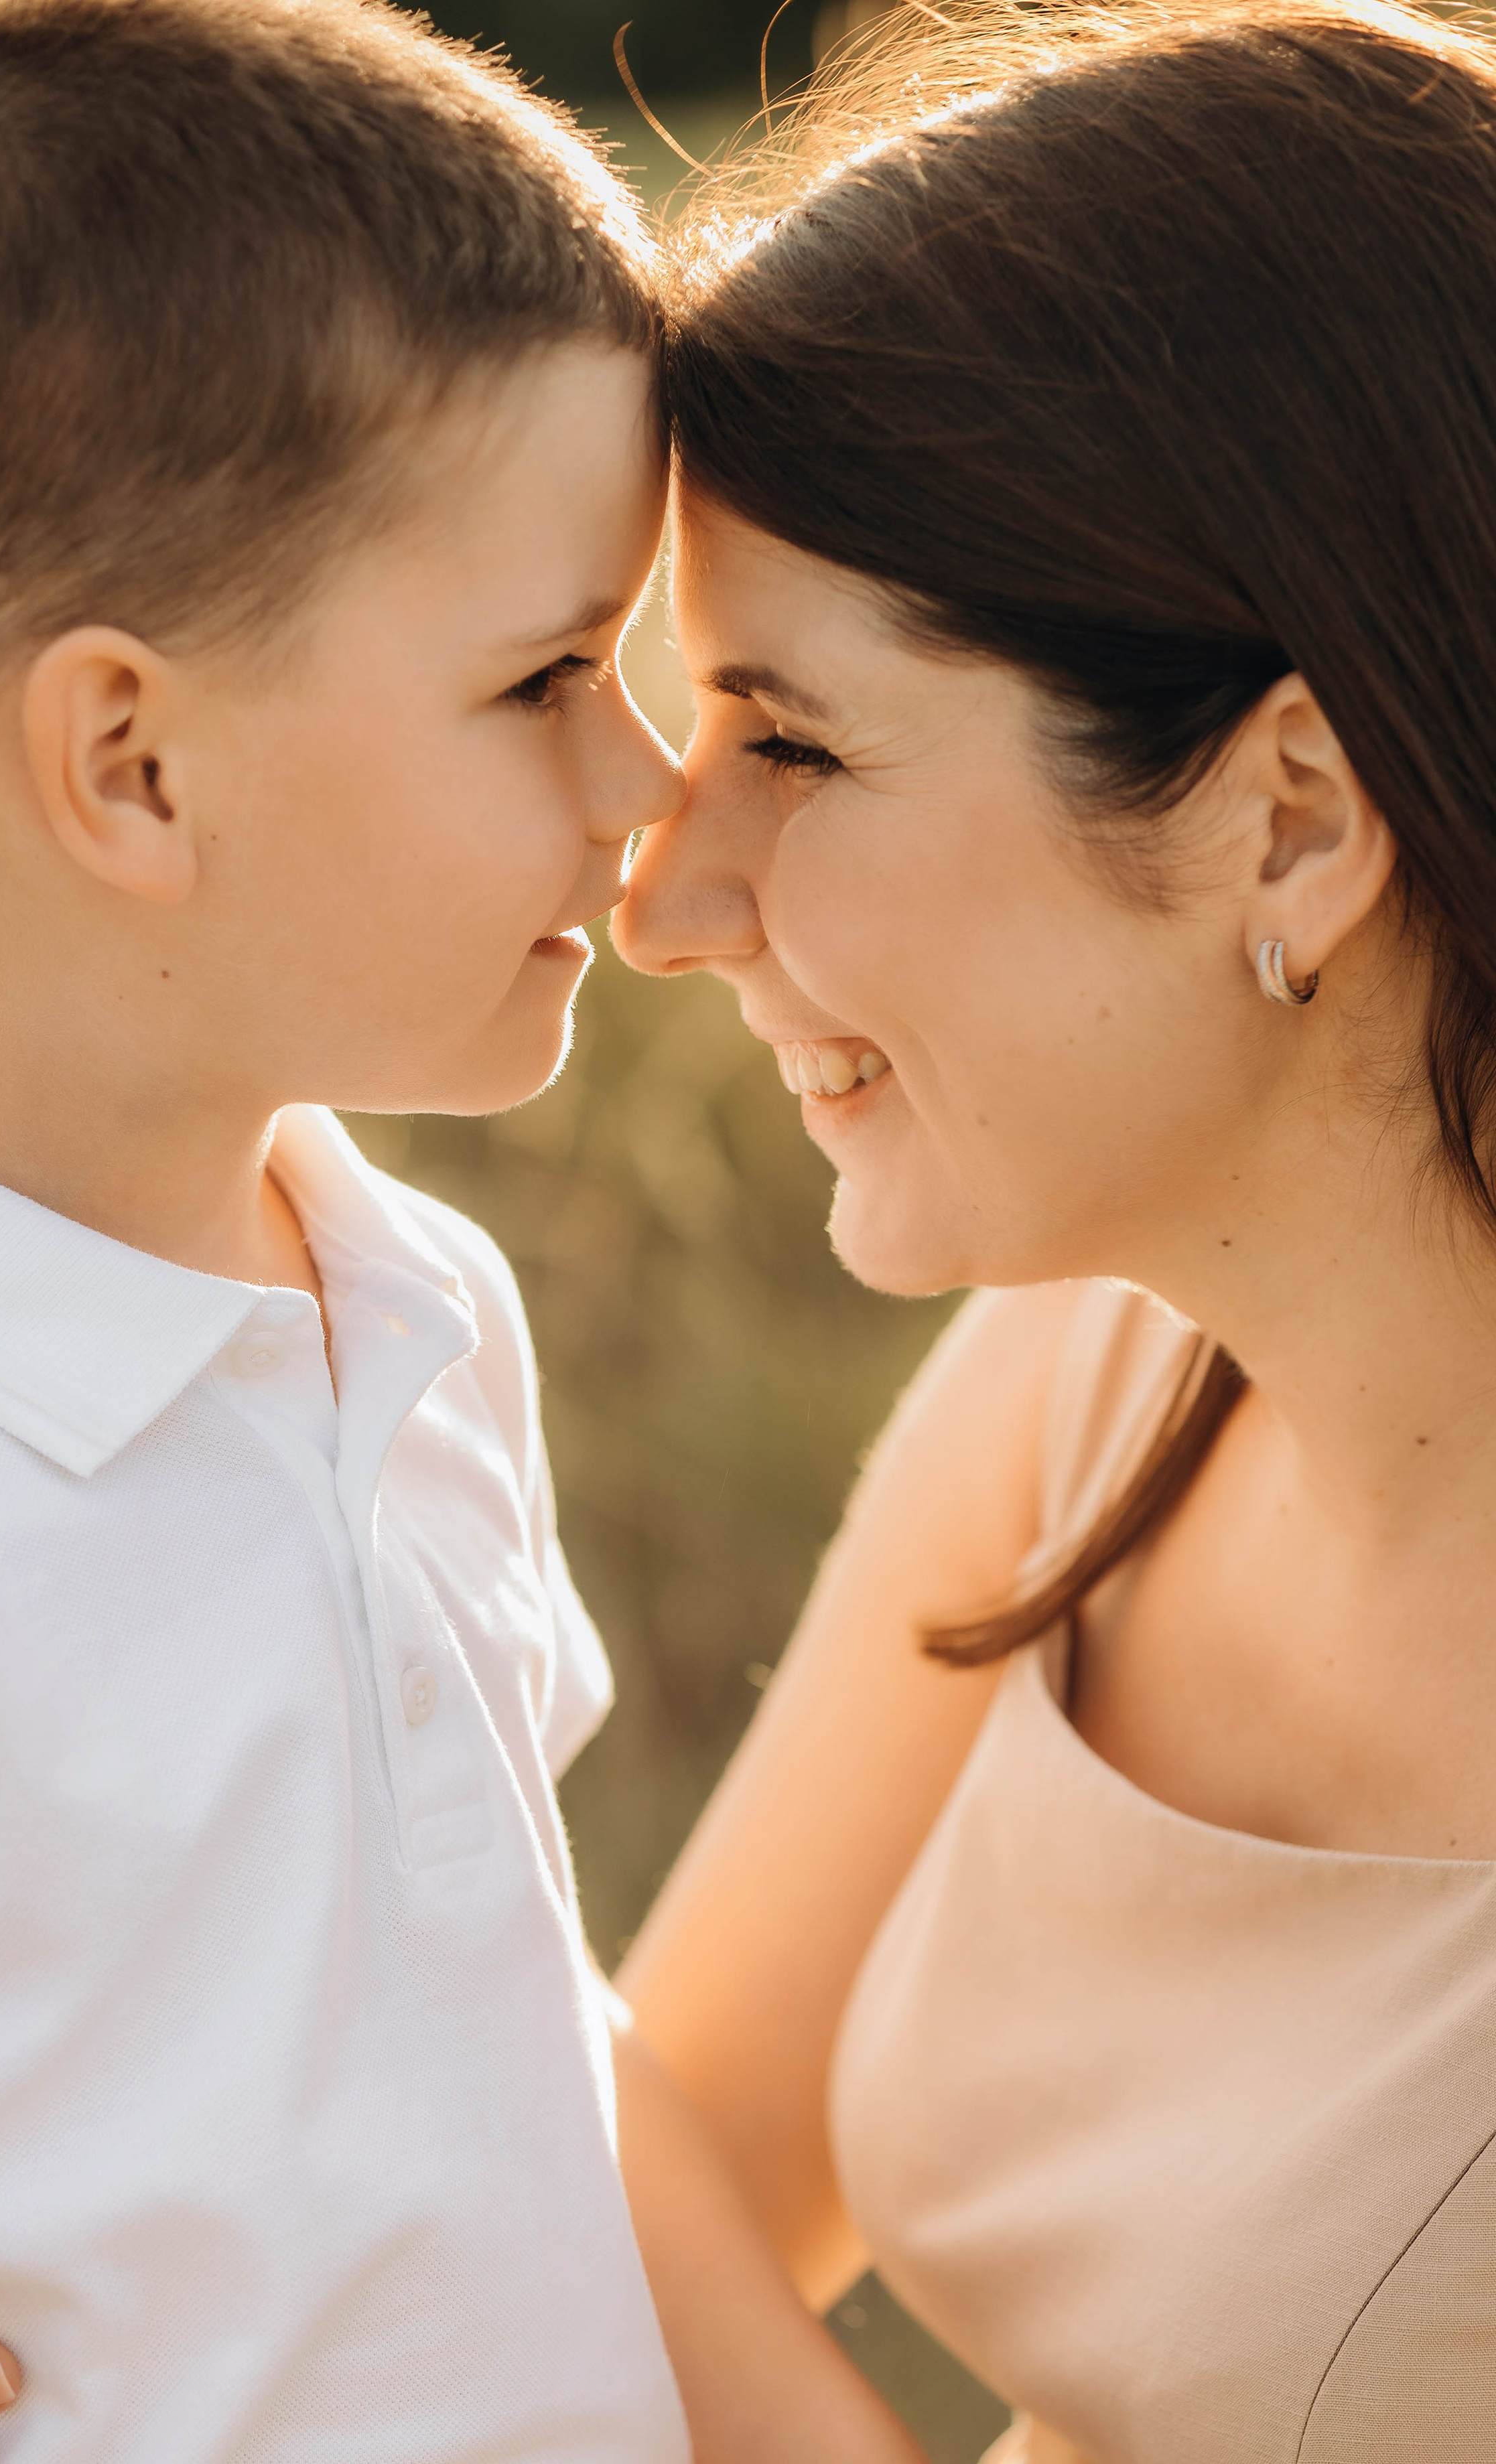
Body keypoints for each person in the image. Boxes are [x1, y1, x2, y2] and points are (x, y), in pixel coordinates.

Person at [0, 2, 932, 2459]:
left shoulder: (411, 1299)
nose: (643, 789)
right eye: (541, 680)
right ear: (132, 764)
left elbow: (512, 2045)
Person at [602, 3, 1496, 2457]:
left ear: (1292, 817)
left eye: (787, 740)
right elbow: (651, 2160)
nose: (663, 896)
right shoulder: (1108, 1370)